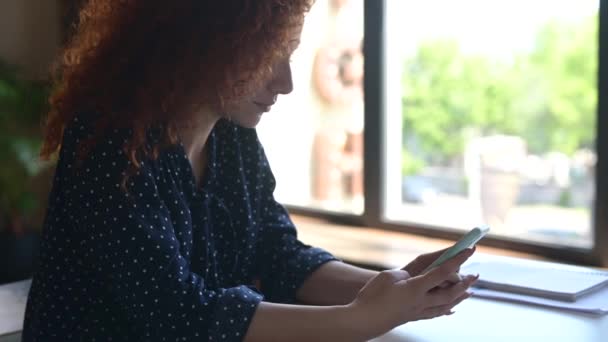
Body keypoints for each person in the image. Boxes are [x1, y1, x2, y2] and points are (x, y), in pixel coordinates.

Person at [23, 1, 478, 340]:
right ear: (204, 43)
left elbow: (278, 253)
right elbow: (177, 315)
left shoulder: (231, 136)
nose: (285, 83)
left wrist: (392, 288)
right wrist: (360, 319)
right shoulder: (109, 141)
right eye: (267, 57)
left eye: (289, 57)